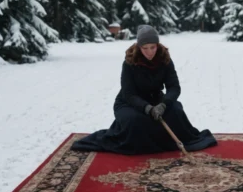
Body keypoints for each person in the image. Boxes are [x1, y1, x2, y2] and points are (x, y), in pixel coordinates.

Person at [71, 25, 217, 155]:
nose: (149, 52)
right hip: (129, 103)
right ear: (139, 47)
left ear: (157, 45)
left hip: (157, 100)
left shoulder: (165, 59)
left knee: (176, 112)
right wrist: (147, 108)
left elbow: (174, 87)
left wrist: (163, 104)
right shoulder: (129, 62)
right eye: (145, 48)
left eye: (152, 47)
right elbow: (128, 93)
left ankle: (164, 140)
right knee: (136, 121)